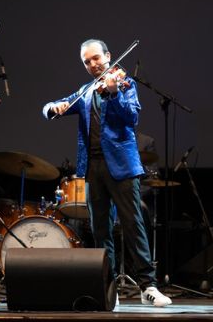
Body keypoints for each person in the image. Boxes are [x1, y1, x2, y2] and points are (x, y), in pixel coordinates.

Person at [43, 39, 171, 307]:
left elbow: (131, 118)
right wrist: (52, 108)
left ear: (108, 56)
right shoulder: (86, 90)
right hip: (93, 168)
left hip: (122, 166)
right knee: (100, 230)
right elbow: (55, 105)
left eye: (96, 59)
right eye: (86, 62)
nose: (92, 65)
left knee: (132, 225)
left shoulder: (125, 84)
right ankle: (108, 287)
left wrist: (113, 94)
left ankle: (148, 286)